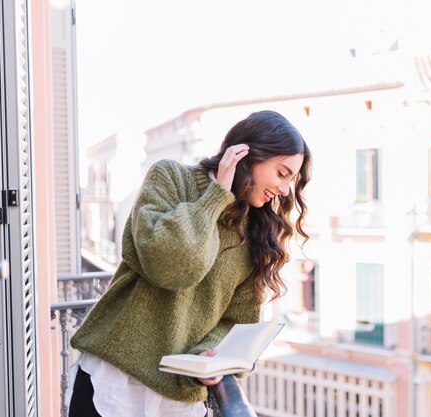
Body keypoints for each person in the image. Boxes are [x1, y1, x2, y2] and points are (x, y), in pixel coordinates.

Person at [67, 110, 312, 417]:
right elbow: (170, 267)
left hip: (178, 399)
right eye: (282, 173)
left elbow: (236, 322)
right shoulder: (170, 178)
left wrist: (206, 355)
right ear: (245, 155)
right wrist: (216, 197)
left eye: (293, 179)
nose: (286, 190)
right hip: (113, 378)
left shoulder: (257, 232)